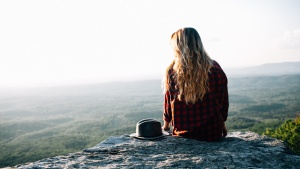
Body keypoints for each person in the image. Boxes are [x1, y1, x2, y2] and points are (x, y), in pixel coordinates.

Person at [162, 27, 229, 142]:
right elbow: (223, 102)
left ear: (178, 48)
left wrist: (166, 127)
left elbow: (169, 104)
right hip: (212, 133)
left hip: (184, 135)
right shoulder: (215, 68)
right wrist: (222, 124)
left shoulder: (172, 71)